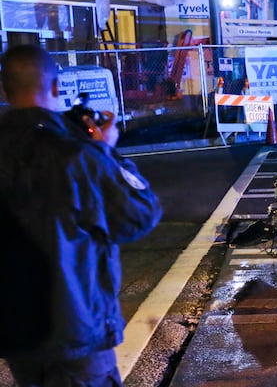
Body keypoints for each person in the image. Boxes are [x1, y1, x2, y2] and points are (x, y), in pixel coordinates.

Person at [0, 44, 162, 386]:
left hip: (15, 332)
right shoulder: (78, 155)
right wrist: (106, 150)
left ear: (4, 88)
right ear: (57, 87)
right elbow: (139, 214)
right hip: (76, 329)